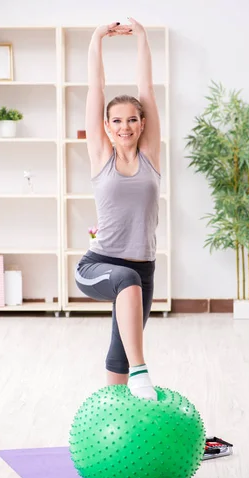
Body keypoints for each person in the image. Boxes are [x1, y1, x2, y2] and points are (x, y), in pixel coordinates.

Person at [75, 19, 161, 401]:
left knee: (120, 353)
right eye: (116, 121)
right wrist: (96, 40)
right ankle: (144, 373)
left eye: (132, 119)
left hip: (143, 268)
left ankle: (115, 415)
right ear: (106, 127)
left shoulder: (150, 156)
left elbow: (147, 90)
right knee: (125, 279)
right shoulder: (100, 157)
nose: (124, 126)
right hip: (98, 266)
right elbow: (96, 90)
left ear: (142, 124)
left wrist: (142, 38)